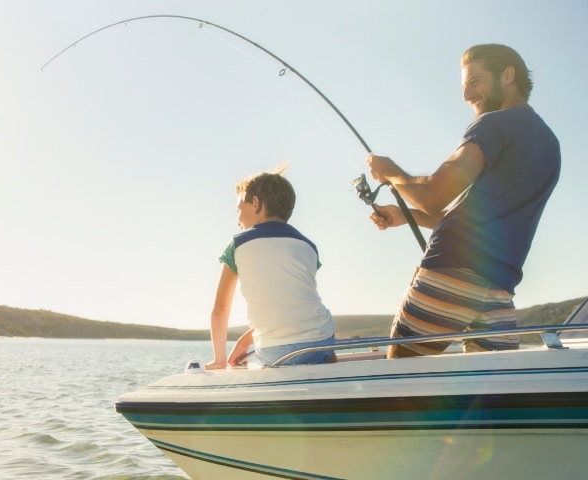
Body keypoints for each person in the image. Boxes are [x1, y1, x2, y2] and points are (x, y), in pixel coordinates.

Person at [367, 44, 561, 358]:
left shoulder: (494, 125)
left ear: (508, 76)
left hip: (451, 271)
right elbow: (484, 217)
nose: (466, 95)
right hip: (498, 288)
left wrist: (390, 173)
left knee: (401, 384)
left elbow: (433, 195)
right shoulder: (550, 144)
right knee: (490, 395)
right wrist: (406, 216)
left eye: (474, 82)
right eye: (463, 86)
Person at [205, 166, 336, 369]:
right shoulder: (308, 246)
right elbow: (294, 305)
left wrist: (220, 360)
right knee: (322, 345)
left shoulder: (238, 244)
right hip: (323, 341)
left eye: (239, 209)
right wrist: (246, 339)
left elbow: (220, 309)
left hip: (276, 351)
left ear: (256, 203)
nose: (238, 218)